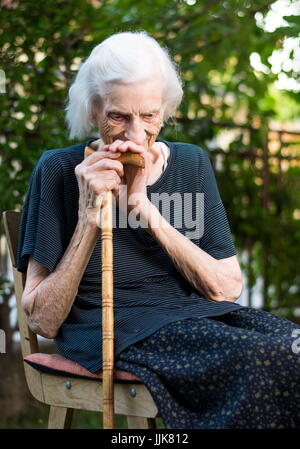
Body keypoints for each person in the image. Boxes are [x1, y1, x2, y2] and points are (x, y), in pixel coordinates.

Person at [16, 31, 300, 429]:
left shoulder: (190, 164)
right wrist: (89, 218)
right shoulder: (60, 171)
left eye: (149, 116)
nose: (135, 134)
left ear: (165, 110)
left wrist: (143, 207)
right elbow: (42, 320)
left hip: (197, 318)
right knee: (256, 360)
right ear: (94, 111)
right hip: (113, 327)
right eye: (119, 116)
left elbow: (226, 287)